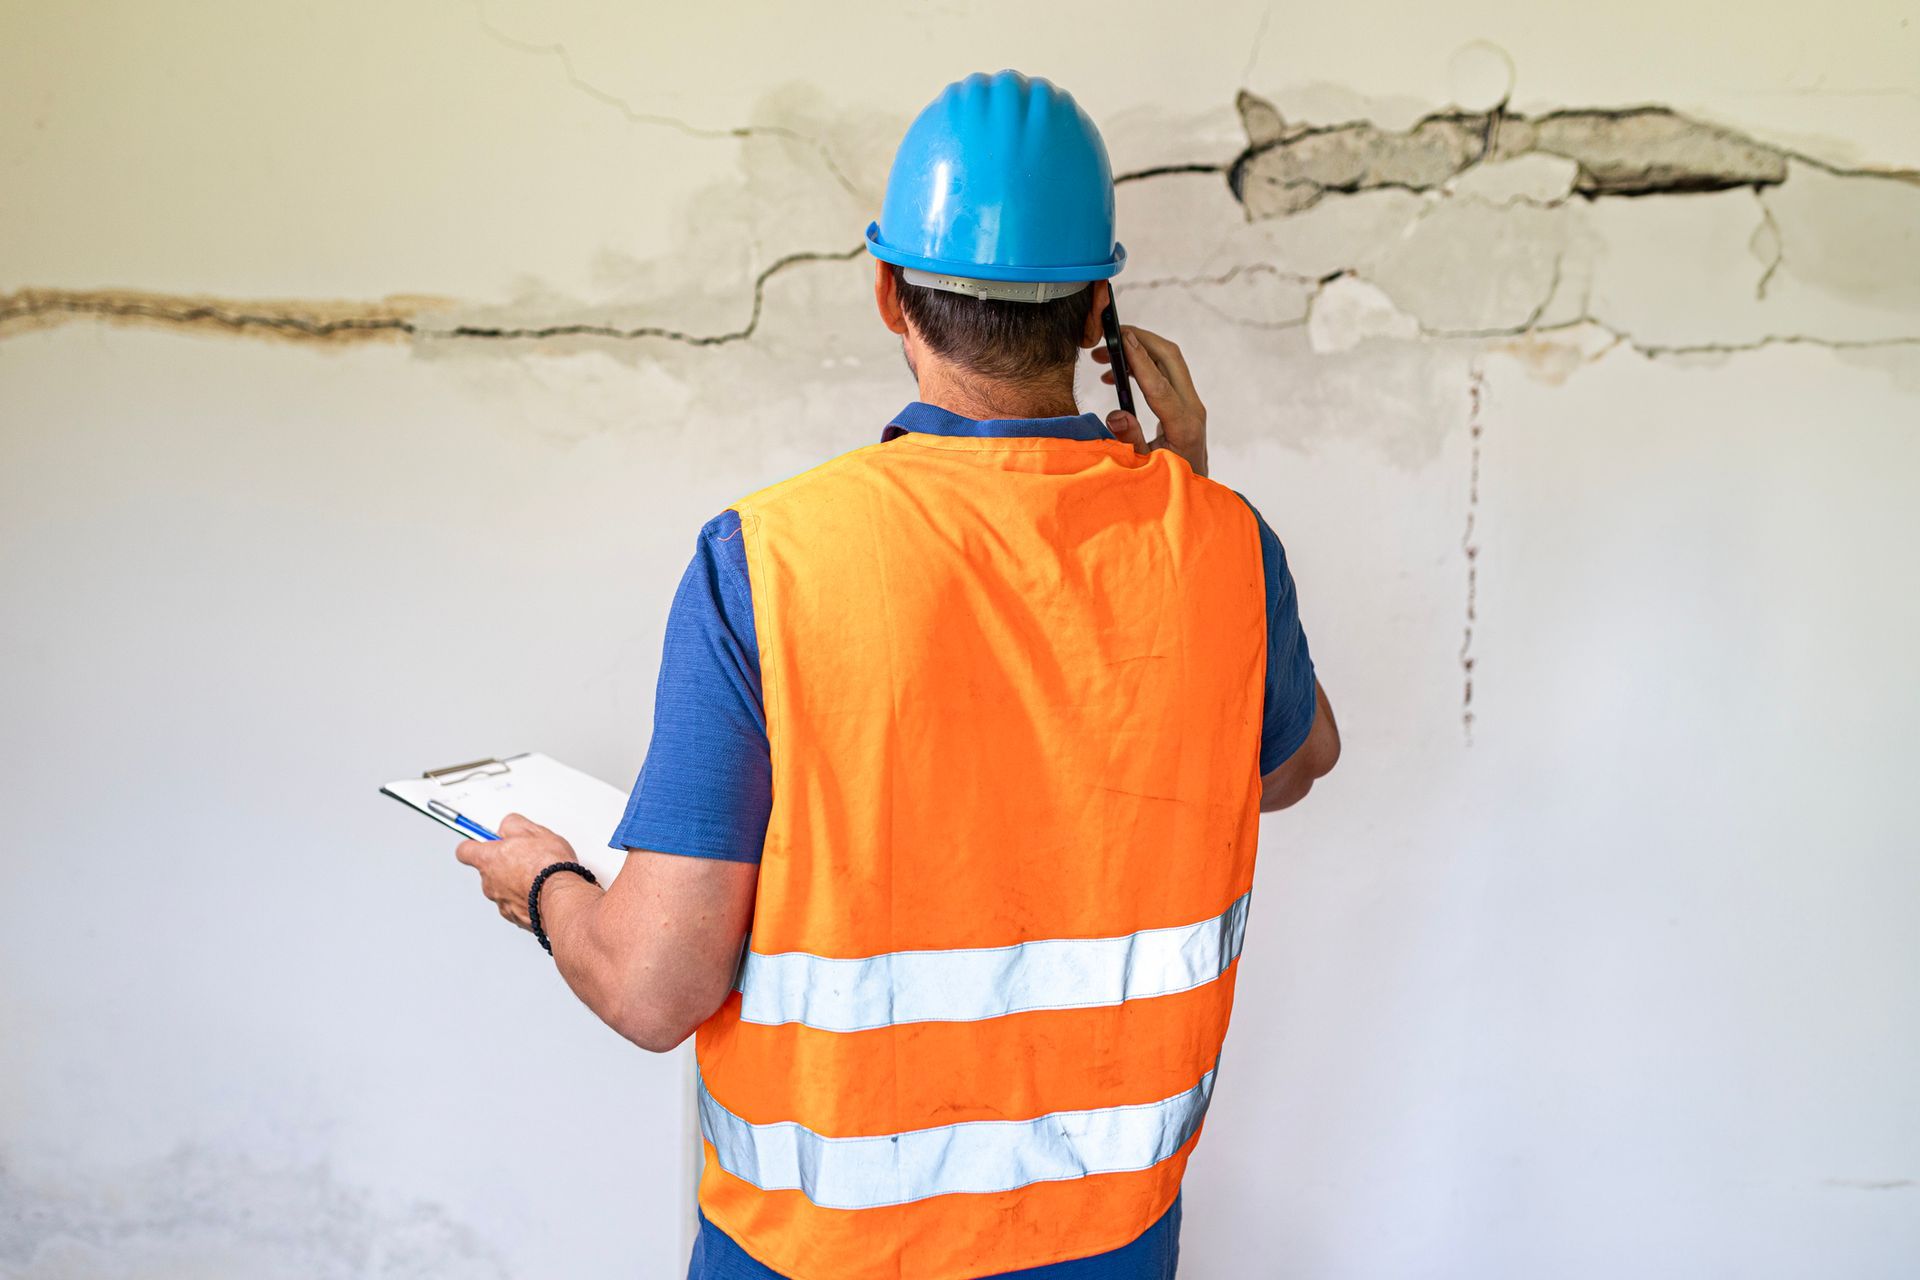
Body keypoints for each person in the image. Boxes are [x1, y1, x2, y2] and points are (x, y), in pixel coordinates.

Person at [456, 69, 1340, 1280]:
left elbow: (654, 987)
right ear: (1099, 314)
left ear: (887, 293)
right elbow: (1292, 763)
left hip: (817, 1257)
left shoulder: (767, 560)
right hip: (1110, 1247)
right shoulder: (1223, 541)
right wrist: (1191, 482)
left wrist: (544, 878)